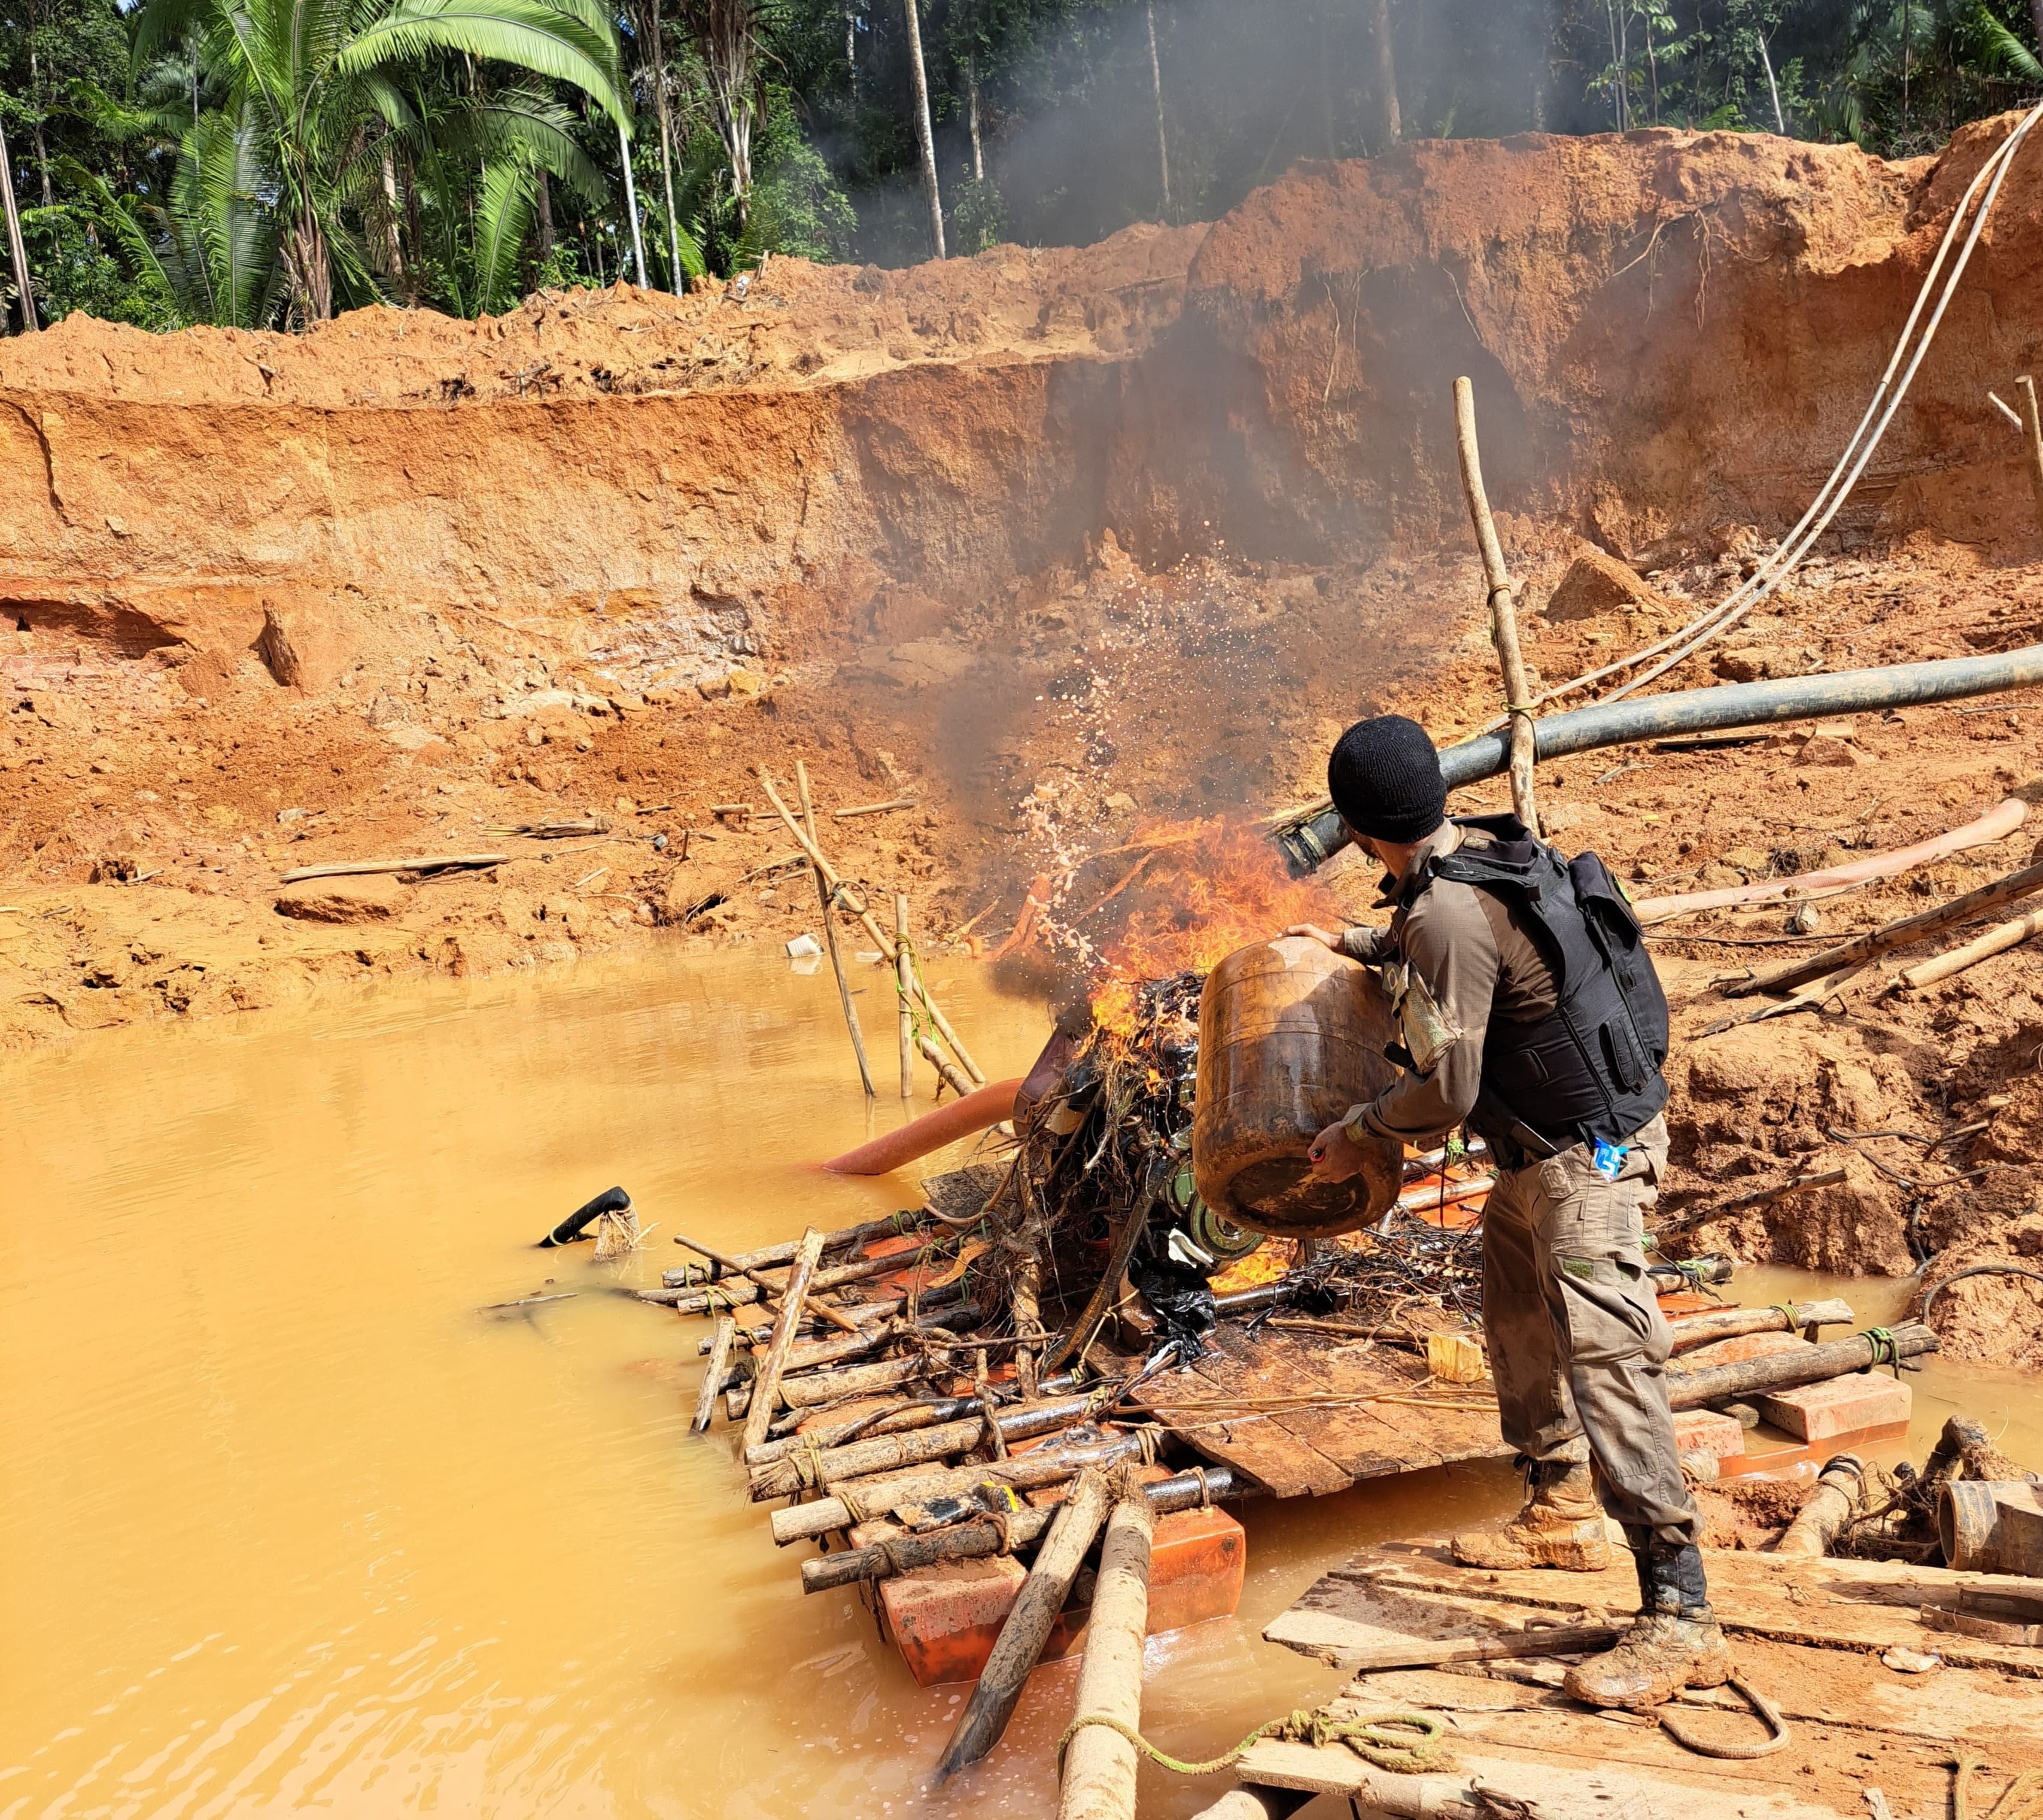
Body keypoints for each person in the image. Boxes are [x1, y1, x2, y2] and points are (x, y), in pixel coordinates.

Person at [1285, 713, 1728, 1713]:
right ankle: (1559, 1501)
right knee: (1515, 1320)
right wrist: (1352, 938)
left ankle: (1679, 1612)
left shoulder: (1441, 913)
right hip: (1545, 1153)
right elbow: (1451, 948)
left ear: (1357, 828)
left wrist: (1359, 1125)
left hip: (1591, 1160)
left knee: (1607, 1357)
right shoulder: (1471, 861)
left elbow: (1444, 1094)